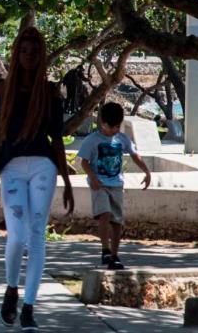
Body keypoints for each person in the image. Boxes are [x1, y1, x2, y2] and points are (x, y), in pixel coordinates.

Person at [0, 27, 74, 331]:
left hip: (43, 166)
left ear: (41, 56)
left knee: (36, 234)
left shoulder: (50, 92)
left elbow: (58, 140)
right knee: (17, 234)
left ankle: (30, 307)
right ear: (16, 53)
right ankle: (12, 288)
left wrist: (66, 181)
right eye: (24, 52)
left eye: (35, 52)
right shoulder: (2, 88)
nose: (29, 57)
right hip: (11, 168)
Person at [78, 102, 151, 271]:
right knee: (105, 214)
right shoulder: (92, 140)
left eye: (118, 126)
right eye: (112, 127)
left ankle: (114, 255)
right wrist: (93, 178)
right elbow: (84, 162)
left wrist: (147, 172)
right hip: (100, 184)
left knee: (117, 220)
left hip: (117, 184)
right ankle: (105, 249)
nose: (115, 130)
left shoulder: (122, 139)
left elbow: (135, 155)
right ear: (102, 123)